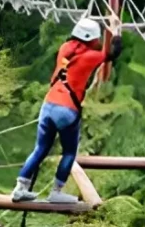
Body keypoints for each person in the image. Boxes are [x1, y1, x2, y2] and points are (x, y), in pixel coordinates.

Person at [11, 18, 122, 204]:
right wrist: (116, 31)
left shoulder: (65, 48)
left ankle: (19, 189)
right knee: (69, 152)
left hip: (48, 105)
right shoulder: (90, 57)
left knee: (40, 149)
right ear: (91, 39)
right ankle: (57, 191)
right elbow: (112, 53)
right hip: (66, 110)